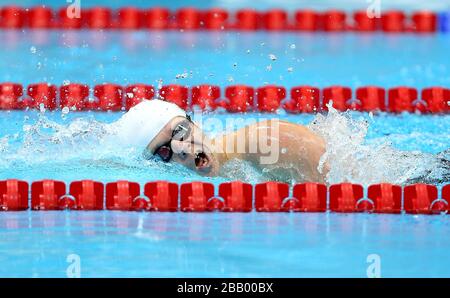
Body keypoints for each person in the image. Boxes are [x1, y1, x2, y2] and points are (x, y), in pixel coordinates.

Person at [115, 99, 449, 184]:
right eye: (164, 152)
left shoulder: (265, 142)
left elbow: (346, 186)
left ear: (195, 121)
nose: (183, 150)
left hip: (417, 176)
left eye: (180, 132)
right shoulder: (233, 166)